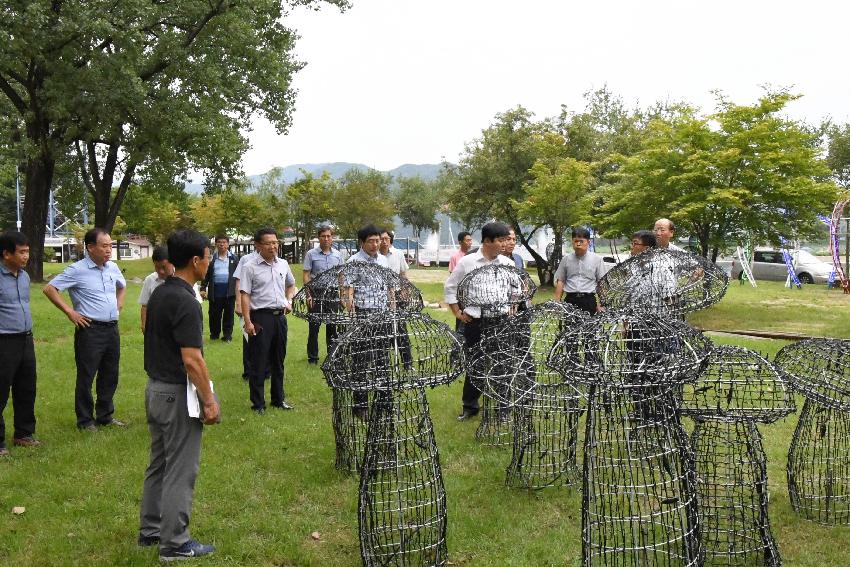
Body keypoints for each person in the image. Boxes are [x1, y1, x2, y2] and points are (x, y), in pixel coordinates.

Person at [138, 229, 220, 561]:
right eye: (208, 256)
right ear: (195, 260)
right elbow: (192, 359)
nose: (210, 262)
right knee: (180, 469)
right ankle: (174, 543)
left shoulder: (161, 291)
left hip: (155, 390)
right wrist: (209, 400)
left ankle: (151, 531)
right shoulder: (186, 300)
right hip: (175, 395)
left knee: (159, 463)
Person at [43, 228, 127, 431]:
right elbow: (50, 289)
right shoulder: (77, 270)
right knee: (87, 375)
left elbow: (122, 286)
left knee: (110, 374)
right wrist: (70, 312)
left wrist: (119, 304)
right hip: (90, 330)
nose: (109, 250)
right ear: (90, 247)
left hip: (111, 329)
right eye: (104, 246)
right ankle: (85, 420)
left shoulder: (112, 267)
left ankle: (105, 416)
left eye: (110, 246)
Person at [444, 221, 514, 421]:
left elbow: (517, 289)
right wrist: (457, 311)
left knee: (503, 364)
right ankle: (470, 406)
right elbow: (451, 287)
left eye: (506, 240)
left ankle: (503, 409)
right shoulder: (467, 262)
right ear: (487, 241)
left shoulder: (507, 264)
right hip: (475, 322)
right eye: (501, 240)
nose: (505, 244)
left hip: (501, 322)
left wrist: (512, 306)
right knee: (476, 364)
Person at [240, 228, 297, 414]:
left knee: (278, 360)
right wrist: (247, 321)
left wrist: (289, 301)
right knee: (259, 360)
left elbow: (291, 284)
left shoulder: (283, 264)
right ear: (258, 246)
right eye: (268, 243)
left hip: (280, 318)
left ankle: (278, 399)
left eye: (275, 242)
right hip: (261, 317)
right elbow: (245, 294)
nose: (273, 246)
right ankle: (258, 404)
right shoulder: (250, 267)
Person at [0, 231, 39, 456]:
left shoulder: (23, 277)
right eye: (22, 252)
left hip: (25, 339)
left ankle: (24, 433)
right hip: (4, 340)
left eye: (27, 251)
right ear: (6, 254)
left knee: (26, 388)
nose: (26, 256)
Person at [303, 225, 343, 365]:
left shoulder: (338, 255)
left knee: (332, 326)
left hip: (332, 294)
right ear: (318, 237)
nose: (326, 239)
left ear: (332, 238)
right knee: (314, 326)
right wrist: (308, 295)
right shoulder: (311, 254)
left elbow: (341, 277)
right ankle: (312, 357)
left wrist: (342, 296)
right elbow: (306, 275)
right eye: (323, 236)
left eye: (329, 236)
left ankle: (331, 356)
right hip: (316, 293)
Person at [553, 227, 606, 315]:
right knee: (569, 328)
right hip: (570, 301)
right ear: (572, 242)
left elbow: (602, 283)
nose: (578, 244)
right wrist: (557, 302)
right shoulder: (566, 259)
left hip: (588, 301)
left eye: (581, 241)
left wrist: (601, 304)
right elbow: (561, 281)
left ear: (588, 242)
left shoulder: (597, 259)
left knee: (588, 328)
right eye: (576, 241)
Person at [200, 235, 239, 342]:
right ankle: (214, 334)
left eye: (224, 242)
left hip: (229, 292)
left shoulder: (234, 259)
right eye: (219, 242)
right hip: (215, 291)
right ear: (216, 244)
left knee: (228, 315)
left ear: (228, 244)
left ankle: (227, 336)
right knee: (214, 315)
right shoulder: (211, 259)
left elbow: (238, 275)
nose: (222, 244)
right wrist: (203, 287)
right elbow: (206, 275)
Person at [139, 246, 173, 333]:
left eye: (164, 267)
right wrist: (144, 325)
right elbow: (144, 305)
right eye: (157, 267)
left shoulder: (183, 278)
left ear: (172, 263)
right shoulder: (150, 280)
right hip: (156, 328)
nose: (161, 271)